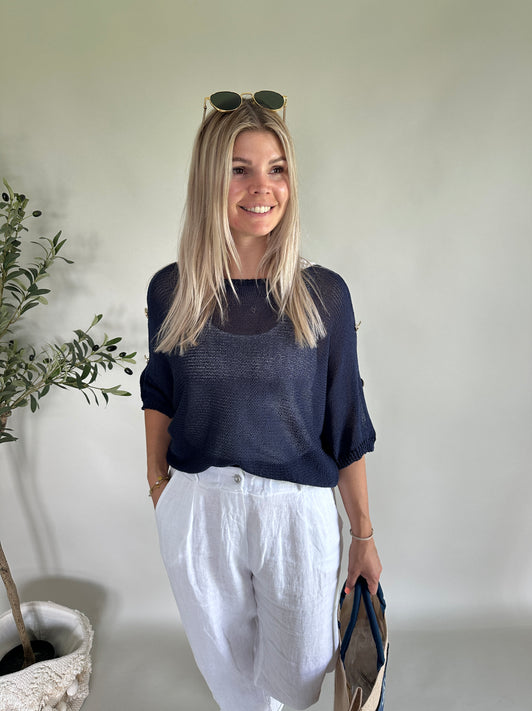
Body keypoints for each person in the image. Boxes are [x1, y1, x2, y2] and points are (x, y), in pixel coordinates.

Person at [140, 91, 382, 711]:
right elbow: (159, 390)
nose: (262, 187)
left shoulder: (323, 295)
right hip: (199, 511)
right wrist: (160, 488)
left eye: (276, 169)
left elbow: (345, 422)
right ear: (208, 180)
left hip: (295, 515)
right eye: (239, 169)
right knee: (232, 686)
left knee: (300, 680)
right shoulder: (172, 290)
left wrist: (362, 534)